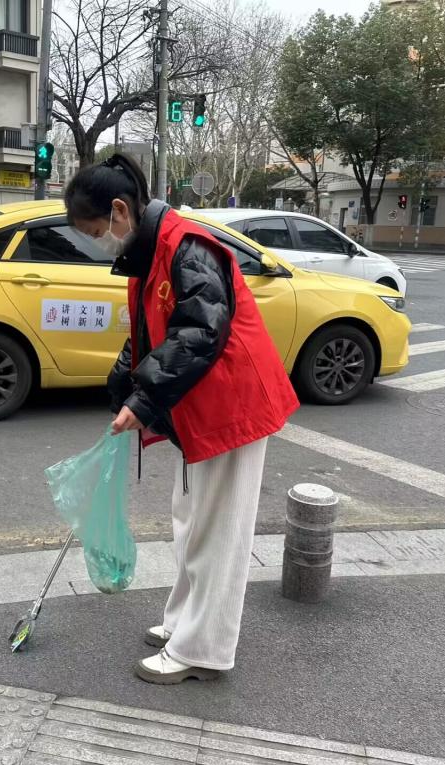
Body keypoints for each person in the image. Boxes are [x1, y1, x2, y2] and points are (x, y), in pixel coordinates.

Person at [64, 154, 299, 684]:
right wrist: (123, 388)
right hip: (199, 405)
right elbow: (150, 333)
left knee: (217, 534)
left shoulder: (187, 247)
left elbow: (199, 333)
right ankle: (182, 624)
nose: (98, 243)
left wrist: (145, 399)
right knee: (191, 521)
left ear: (119, 211)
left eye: (96, 232)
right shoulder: (151, 250)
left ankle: (203, 649)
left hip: (231, 407)